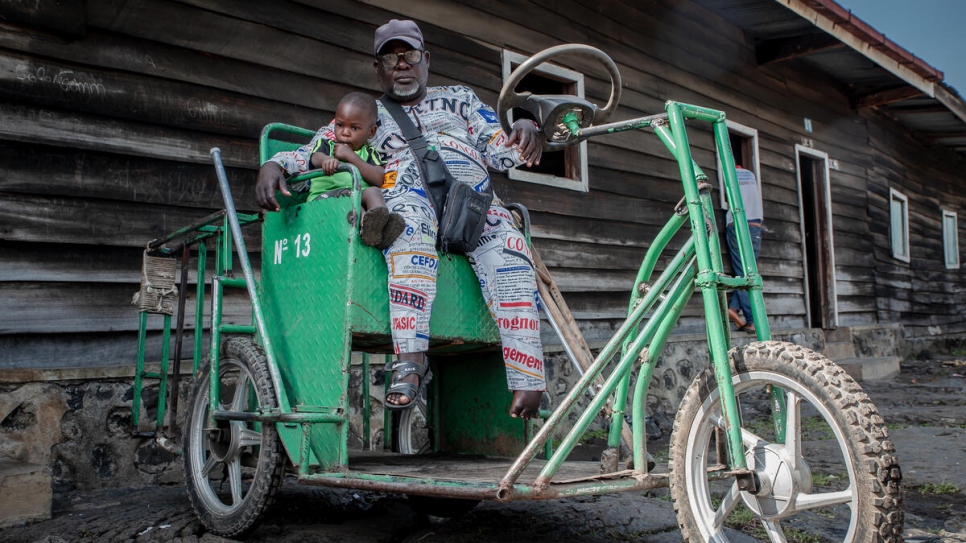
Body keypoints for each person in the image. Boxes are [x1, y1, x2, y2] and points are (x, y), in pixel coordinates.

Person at [256, 19, 547, 419]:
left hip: (474, 205)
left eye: (409, 55)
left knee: (513, 251)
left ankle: (527, 380)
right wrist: (274, 164)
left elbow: (503, 150)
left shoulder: (460, 99)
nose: (402, 65)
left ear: (425, 59)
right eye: (390, 59)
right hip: (408, 196)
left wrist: (528, 126)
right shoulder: (366, 114)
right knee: (406, 227)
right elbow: (315, 148)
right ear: (378, 69)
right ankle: (411, 362)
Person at [266, 92, 405, 250]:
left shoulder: (370, 153)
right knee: (348, 195)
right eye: (340, 125)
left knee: (373, 191)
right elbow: (314, 158)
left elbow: (379, 178)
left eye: (354, 128)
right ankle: (369, 228)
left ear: (371, 132)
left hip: (357, 196)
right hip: (324, 199)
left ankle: (378, 225)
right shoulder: (327, 145)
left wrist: (352, 157)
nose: (345, 132)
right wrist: (326, 160)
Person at [725, 164, 763, 333]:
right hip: (755, 226)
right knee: (750, 271)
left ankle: (751, 320)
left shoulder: (729, 174)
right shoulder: (750, 175)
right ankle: (733, 308)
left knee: (743, 274)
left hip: (737, 224)